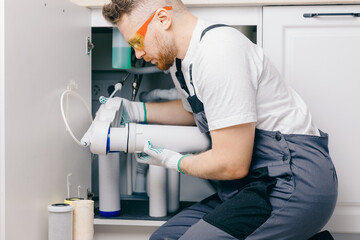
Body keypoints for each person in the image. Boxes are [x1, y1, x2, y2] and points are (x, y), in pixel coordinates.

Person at [102, 1, 338, 239]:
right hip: (251, 184)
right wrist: (135, 110)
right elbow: (196, 112)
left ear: (163, 19)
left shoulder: (218, 53)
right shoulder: (181, 63)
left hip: (290, 182)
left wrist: (175, 161)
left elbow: (232, 163)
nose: (138, 54)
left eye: (136, 42)